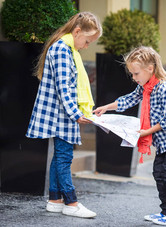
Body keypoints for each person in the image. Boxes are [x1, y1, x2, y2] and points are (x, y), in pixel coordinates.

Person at [93, 46, 166, 226]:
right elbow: (128, 100)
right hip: (165, 139)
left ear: (150, 69)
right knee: (159, 172)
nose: (134, 78)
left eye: (136, 73)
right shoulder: (146, 87)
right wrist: (106, 107)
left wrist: (145, 132)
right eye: (132, 74)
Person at [26, 12, 102, 218]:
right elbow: (63, 88)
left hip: (61, 112)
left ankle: (54, 199)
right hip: (62, 113)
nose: (86, 46)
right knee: (65, 157)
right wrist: (76, 113)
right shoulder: (62, 49)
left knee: (60, 156)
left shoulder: (66, 48)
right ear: (77, 32)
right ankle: (71, 202)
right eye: (87, 41)